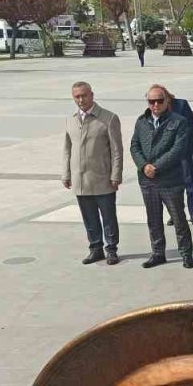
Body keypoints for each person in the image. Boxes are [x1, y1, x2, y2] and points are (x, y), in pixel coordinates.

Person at [131, 85, 193, 269]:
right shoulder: (141, 121)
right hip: (147, 180)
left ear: (167, 100)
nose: (156, 105)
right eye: (152, 101)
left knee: (178, 218)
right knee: (153, 219)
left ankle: (186, 253)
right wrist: (144, 166)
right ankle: (158, 252)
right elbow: (134, 146)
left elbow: (178, 149)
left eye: (160, 100)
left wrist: (157, 166)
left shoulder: (178, 121)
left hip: (170, 179)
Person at [63, 81, 123, 265]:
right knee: (89, 217)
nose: (81, 100)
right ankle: (95, 248)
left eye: (84, 95)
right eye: (77, 96)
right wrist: (66, 174)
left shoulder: (108, 118)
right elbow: (67, 149)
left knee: (108, 217)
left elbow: (116, 150)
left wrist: (116, 175)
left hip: (102, 177)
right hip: (80, 179)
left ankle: (111, 249)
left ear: (92, 95)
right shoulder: (71, 120)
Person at [168, 92, 193, 226]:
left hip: (187, 149)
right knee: (173, 185)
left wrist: (179, 139)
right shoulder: (158, 108)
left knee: (190, 183)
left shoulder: (181, 104)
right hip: (170, 153)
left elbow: (191, 125)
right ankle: (175, 215)